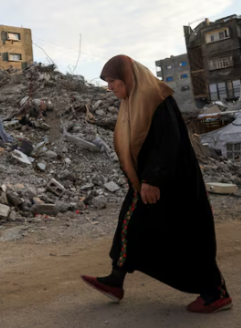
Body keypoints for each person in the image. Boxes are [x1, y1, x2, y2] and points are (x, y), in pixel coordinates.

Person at [81, 55, 232, 314]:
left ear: (127, 77)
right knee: (131, 224)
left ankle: (216, 293)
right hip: (148, 181)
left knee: (186, 235)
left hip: (172, 183)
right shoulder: (132, 101)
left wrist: (153, 179)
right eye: (107, 82)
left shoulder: (156, 98)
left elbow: (167, 141)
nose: (109, 87)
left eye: (113, 81)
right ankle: (115, 280)